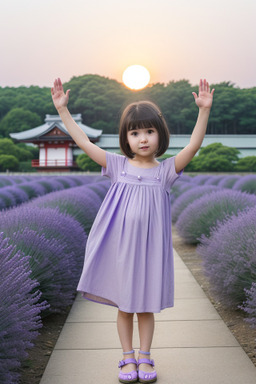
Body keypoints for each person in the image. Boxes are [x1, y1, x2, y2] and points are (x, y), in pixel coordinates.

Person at [51, 78, 214, 383]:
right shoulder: (117, 166)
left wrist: (203, 111)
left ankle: (146, 355)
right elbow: (84, 143)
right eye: (135, 132)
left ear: (159, 135)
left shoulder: (166, 171)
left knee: (146, 306)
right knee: (125, 306)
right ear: (126, 137)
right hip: (121, 249)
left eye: (149, 131)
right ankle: (127, 357)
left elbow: (193, 145)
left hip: (150, 252)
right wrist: (63, 111)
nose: (143, 139)